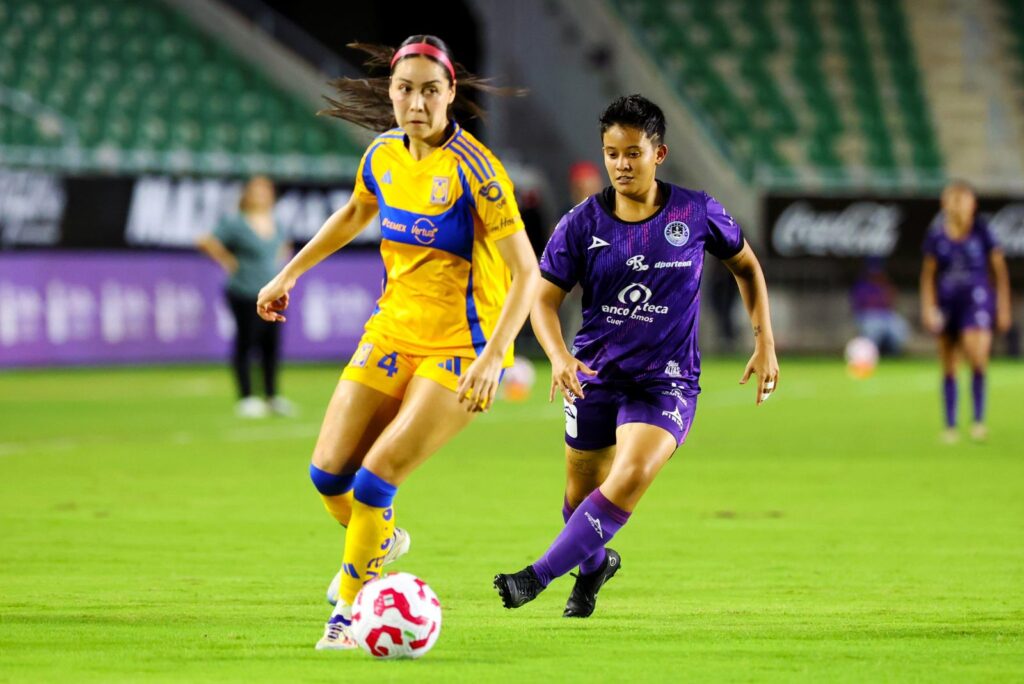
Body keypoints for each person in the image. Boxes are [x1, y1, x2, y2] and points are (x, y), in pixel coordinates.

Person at [255, 35, 539, 649]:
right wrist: (289, 273)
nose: (417, 102)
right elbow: (358, 212)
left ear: (451, 94)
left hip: (462, 350)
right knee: (328, 476)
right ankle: (378, 540)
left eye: (430, 90)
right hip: (391, 332)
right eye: (406, 89)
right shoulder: (381, 154)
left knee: (376, 479)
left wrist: (494, 357)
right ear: (391, 92)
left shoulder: (478, 172)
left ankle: (352, 611)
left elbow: (528, 273)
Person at [493, 94, 779, 617]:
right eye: (611, 153)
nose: (621, 164)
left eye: (633, 153)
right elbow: (544, 299)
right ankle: (595, 566)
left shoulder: (696, 211)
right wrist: (557, 356)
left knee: (630, 475)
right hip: (593, 376)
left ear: (659, 153)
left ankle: (535, 578)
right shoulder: (581, 223)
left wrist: (764, 340)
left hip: (666, 383)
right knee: (579, 500)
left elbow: (747, 267)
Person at [920, 181, 1011, 443]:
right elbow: (928, 276)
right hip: (948, 302)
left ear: (973, 204)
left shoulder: (982, 232)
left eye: (964, 199)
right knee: (948, 364)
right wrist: (928, 306)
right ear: (944, 203)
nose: (959, 205)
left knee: (977, 354)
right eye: (953, 199)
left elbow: (999, 271)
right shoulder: (937, 236)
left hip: (977, 300)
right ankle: (950, 425)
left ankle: (978, 421)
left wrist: (1002, 306)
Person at [197, 176, 294, 418]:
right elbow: (206, 241)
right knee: (246, 341)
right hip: (244, 290)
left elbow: (284, 247)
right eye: (256, 190)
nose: (261, 195)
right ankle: (247, 396)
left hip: (273, 293)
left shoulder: (277, 222)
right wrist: (228, 261)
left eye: (266, 190)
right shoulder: (235, 222)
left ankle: (272, 395)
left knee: (271, 344)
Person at [850, 257, 909, 356]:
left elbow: (892, 301)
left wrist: (884, 285)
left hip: (886, 315)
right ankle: (869, 354)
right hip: (868, 315)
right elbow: (862, 305)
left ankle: (893, 354)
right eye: (873, 272)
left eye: (878, 272)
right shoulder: (862, 286)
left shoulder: (884, 284)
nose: (875, 275)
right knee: (873, 328)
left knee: (900, 327)